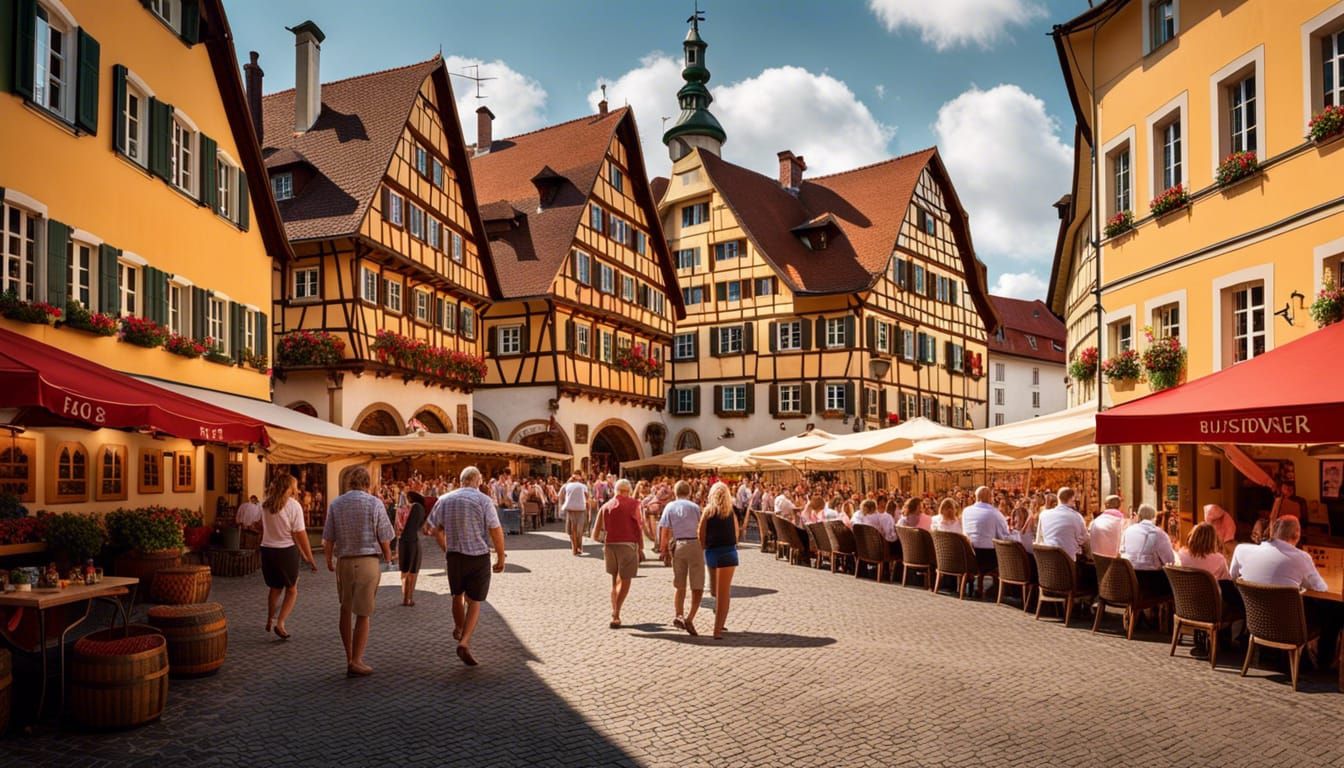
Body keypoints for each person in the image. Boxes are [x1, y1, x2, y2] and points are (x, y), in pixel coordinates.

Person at [429, 466, 506, 667]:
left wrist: (446, 548)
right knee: (475, 601)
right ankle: (464, 641)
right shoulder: (483, 500)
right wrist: (500, 556)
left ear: (461, 480)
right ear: (478, 481)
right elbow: (495, 529)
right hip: (478, 556)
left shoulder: (445, 499)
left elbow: (433, 529)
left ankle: (458, 627)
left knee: (457, 595)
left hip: (454, 556)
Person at [322, 467, 394, 677]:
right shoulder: (374, 503)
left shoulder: (336, 504)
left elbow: (329, 537)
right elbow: (384, 535)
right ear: (367, 483)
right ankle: (357, 660)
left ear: (349, 482)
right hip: (368, 561)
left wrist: (328, 559)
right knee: (363, 613)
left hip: (344, 561)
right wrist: (388, 557)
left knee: (345, 609)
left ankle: (348, 657)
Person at [259, 474, 317, 641]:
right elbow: (300, 534)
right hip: (286, 552)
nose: (297, 489)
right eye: (295, 486)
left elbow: (262, 526)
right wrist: (310, 558)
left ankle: (270, 618)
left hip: (267, 550)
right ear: (288, 488)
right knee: (291, 590)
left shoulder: (265, 505)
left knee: (275, 588)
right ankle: (280, 623)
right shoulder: (294, 506)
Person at [592, 478, 644, 629]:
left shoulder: (606, 505)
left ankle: (615, 611)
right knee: (625, 580)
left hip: (610, 545)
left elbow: (595, 532)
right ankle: (616, 613)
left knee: (615, 580)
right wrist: (640, 547)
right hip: (627, 544)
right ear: (627, 490)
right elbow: (639, 526)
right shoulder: (634, 504)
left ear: (615, 490)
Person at [1228, 517, 1327, 592]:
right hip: (1288, 618)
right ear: (1297, 536)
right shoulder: (1302, 558)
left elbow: (1232, 579)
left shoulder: (1241, 550)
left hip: (1251, 617)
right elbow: (1321, 589)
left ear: (1272, 532)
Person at [657, 480, 704, 636]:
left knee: (680, 584)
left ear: (675, 493)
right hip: (694, 543)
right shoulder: (695, 507)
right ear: (689, 492)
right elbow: (701, 527)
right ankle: (690, 617)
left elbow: (664, 529)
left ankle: (679, 614)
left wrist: (663, 549)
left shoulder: (670, 507)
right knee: (697, 585)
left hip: (679, 544)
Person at [699, 482, 740, 640]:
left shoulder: (708, 511)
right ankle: (719, 627)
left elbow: (700, 533)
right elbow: (736, 534)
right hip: (729, 552)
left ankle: (717, 627)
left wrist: (704, 547)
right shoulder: (731, 512)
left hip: (713, 553)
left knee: (716, 591)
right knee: (723, 593)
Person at [1120, 504, 1176, 599]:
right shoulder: (1159, 534)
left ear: (1139, 516)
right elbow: (1170, 561)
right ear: (1154, 518)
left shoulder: (1128, 531)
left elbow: (1121, 553)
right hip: (1152, 585)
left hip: (1129, 582)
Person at [961, 486, 1009, 574]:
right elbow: (1004, 536)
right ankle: (1007, 584)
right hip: (988, 557)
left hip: (968, 554)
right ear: (990, 498)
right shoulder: (995, 513)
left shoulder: (966, 511)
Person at [398, 490, 429, 607]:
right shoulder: (418, 508)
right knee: (411, 571)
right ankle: (408, 598)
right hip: (411, 541)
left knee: (407, 570)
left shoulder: (415, 507)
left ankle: (407, 598)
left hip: (406, 540)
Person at [559, 473, 589, 556]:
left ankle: (574, 548)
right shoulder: (583, 486)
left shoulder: (566, 486)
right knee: (580, 530)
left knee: (572, 530)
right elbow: (587, 498)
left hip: (570, 509)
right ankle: (579, 547)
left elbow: (560, 496)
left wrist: (562, 508)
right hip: (581, 509)